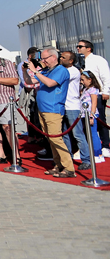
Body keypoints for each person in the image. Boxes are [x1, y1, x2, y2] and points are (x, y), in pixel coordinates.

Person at [26, 47, 74, 178]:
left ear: (53, 57)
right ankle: (58, 165)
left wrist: (35, 71)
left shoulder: (61, 70)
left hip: (53, 109)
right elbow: (30, 82)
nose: (43, 61)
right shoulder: (47, 71)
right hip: (43, 109)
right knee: (50, 138)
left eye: (45, 58)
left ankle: (69, 167)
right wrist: (26, 70)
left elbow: (50, 83)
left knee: (56, 138)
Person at [77, 40, 110, 157]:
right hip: (85, 95)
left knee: (100, 119)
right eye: (77, 46)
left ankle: (106, 145)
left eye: (80, 46)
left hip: (98, 93)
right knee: (87, 122)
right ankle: (90, 145)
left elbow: (105, 75)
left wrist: (106, 91)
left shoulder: (98, 60)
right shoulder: (80, 62)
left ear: (89, 48)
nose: (78, 48)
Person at [77, 71, 105, 170]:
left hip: (90, 114)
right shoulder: (86, 89)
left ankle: (97, 153)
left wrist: (92, 116)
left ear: (90, 80)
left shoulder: (93, 90)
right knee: (88, 133)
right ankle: (93, 151)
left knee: (93, 134)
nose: (82, 82)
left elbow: (94, 103)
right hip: (84, 114)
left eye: (83, 80)